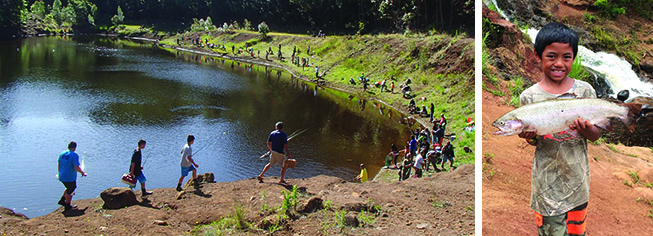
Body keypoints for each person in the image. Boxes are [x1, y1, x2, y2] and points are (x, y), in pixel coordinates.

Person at [518, 22, 599, 236]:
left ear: (574, 57)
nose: (559, 63)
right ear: (537, 55)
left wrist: (586, 129)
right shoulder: (529, 97)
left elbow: (595, 135)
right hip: (547, 185)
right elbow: (535, 140)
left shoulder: (585, 91)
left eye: (567, 57)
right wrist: (529, 137)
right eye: (552, 56)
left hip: (577, 181)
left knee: (576, 232)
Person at [57, 141, 87, 211]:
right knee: (72, 188)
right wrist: (82, 173)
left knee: (68, 187)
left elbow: (59, 164)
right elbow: (76, 167)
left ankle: (62, 200)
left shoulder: (62, 154)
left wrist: (59, 172)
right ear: (75, 148)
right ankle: (67, 206)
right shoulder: (74, 155)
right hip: (69, 177)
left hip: (61, 175)